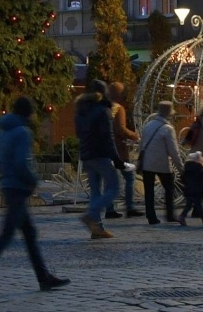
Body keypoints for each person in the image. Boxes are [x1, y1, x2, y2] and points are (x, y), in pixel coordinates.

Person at [0, 97, 68, 295]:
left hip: (8, 184)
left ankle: (43, 276)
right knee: (7, 235)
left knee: (29, 233)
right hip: (18, 187)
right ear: (27, 113)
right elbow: (23, 162)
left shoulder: (4, 131)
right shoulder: (23, 132)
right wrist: (32, 180)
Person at [74, 86, 120, 239]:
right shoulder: (103, 111)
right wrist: (116, 158)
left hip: (86, 155)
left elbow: (78, 133)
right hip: (101, 155)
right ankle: (91, 213)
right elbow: (108, 137)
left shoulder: (81, 111)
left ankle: (97, 228)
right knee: (113, 187)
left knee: (95, 191)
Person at [136, 100, 182, 225]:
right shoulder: (168, 129)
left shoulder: (148, 125)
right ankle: (170, 214)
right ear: (169, 114)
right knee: (169, 189)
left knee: (149, 191)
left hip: (147, 163)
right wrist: (180, 168)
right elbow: (174, 151)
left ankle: (151, 216)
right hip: (162, 164)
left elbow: (141, 145)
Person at [107, 82, 142, 220]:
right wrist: (135, 135)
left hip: (105, 150)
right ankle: (129, 207)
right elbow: (120, 129)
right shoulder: (118, 108)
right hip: (119, 151)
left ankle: (109, 208)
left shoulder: (103, 107)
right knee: (129, 177)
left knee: (109, 180)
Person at [180, 151, 203, 226]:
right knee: (198, 205)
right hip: (197, 190)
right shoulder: (199, 168)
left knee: (189, 205)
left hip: (188, 190)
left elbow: (182, 178)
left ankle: (183, 216)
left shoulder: (187, 169)